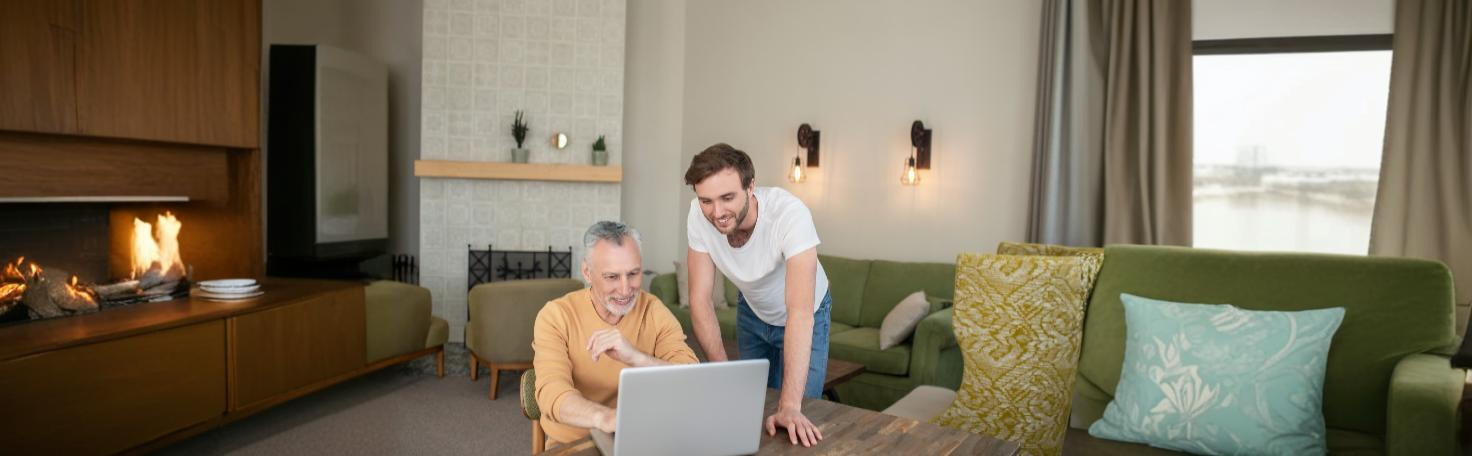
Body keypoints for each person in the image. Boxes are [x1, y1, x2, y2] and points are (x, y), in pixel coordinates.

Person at [684, 143, 831, 448]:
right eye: (706, 201)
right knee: (748, 408)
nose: (717, 212)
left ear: (751, 187)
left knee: (795, 419)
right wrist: (725, 373)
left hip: (807, 315)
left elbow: (800, 313)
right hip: (752, 310)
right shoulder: (699, 217)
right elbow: (700, 301)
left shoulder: (789, 215)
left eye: (727, 198)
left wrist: (790, 406)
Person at [531, 221, 698, 446]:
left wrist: (636, 357)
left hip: (645, 440)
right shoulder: (556, 316)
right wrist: (607, 419)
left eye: (633, 274)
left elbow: (693, 380)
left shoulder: (654, 310)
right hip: (576, 445)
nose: (625, 289)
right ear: (587, 273)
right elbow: (552, 392)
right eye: (612, 277)